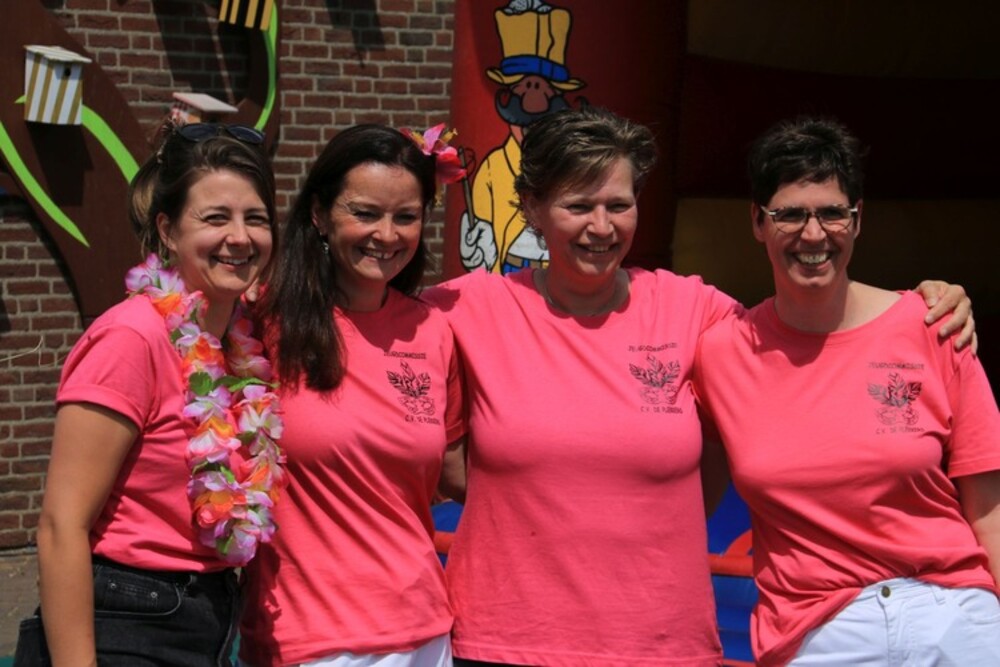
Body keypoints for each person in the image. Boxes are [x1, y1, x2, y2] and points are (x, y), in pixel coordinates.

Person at [423, 106, 976, 666]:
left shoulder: (696, 311)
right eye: (579, 206)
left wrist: (925, 303)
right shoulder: (466, 308)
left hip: (664, 643)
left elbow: (811, 336)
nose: (602, 226)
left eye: (619, 204)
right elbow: (388, 347)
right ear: (532, 208)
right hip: (505, 640)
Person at [693, 116, 1000, 666]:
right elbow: (681, 501)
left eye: (832, 213)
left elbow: (989, 511)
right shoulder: (719, 353)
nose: (814, 235)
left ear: (858, 220)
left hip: (955, 616)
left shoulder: (934, 324)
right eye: (790, 214)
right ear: (757, 222)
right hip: (818, 633)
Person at [16, 123, 283, 666]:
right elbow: (61, 526)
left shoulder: (239, 346)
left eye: (255, 218)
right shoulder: (131, 337)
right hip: (128, 619)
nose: (240, 237)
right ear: (168, 230)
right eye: (215, 218)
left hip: (209, 614)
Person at [237, 124, 465, 667]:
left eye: (406, 216)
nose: (387, 234)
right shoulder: (258, 321)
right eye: (365, 213)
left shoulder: (434, 330)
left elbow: (458, 475)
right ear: (319, 214)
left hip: (425, 633)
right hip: (307, 639)